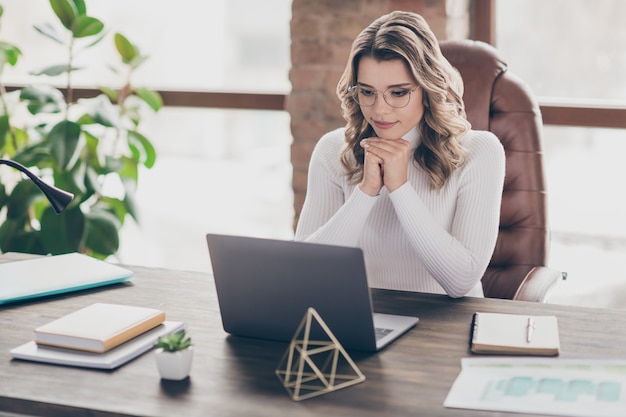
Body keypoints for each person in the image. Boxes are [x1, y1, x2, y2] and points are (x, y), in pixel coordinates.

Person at [294, 11, 505, 298]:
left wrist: (400, 188)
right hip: (364, 324)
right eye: (367, 92)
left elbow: (460, 282)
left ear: (427, 89)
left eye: (398, 93)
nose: (379, 110)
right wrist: (366, 191)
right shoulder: (333, 150)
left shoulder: (479, 152)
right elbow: (306, 274)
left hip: (448, 330)